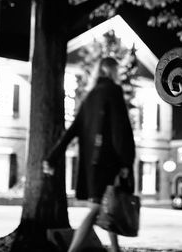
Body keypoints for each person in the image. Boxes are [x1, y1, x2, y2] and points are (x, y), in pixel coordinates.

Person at [43, 57, 136, 252]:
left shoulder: (90, 96)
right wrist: (126, 161)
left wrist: (53, 157)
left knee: (110, 204)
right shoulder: (113, 91)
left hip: (93, 165)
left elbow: (72, 130)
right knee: (96, 209)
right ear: (112, 71)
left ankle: (116, 249)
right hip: (108, 162)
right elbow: (121, 129)